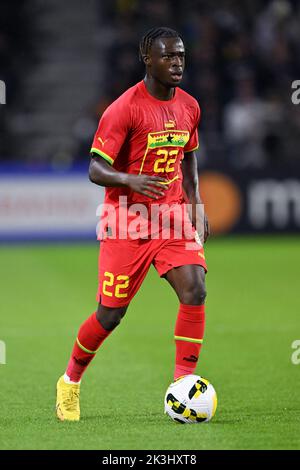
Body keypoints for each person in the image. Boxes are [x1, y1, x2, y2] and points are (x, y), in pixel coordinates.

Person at [56, 27, 209, 421]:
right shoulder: (123, 108)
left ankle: (183, 387)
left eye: (180, 55)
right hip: (127, 221)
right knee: (111, 314)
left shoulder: (190, 106)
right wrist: (129, 179)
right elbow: (94, 167)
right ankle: (70, 381)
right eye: (168, 57)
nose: (177, 63)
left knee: (195, 288)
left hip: (171, 216)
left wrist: (195, 204)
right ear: (148, 59)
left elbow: (188, 157)